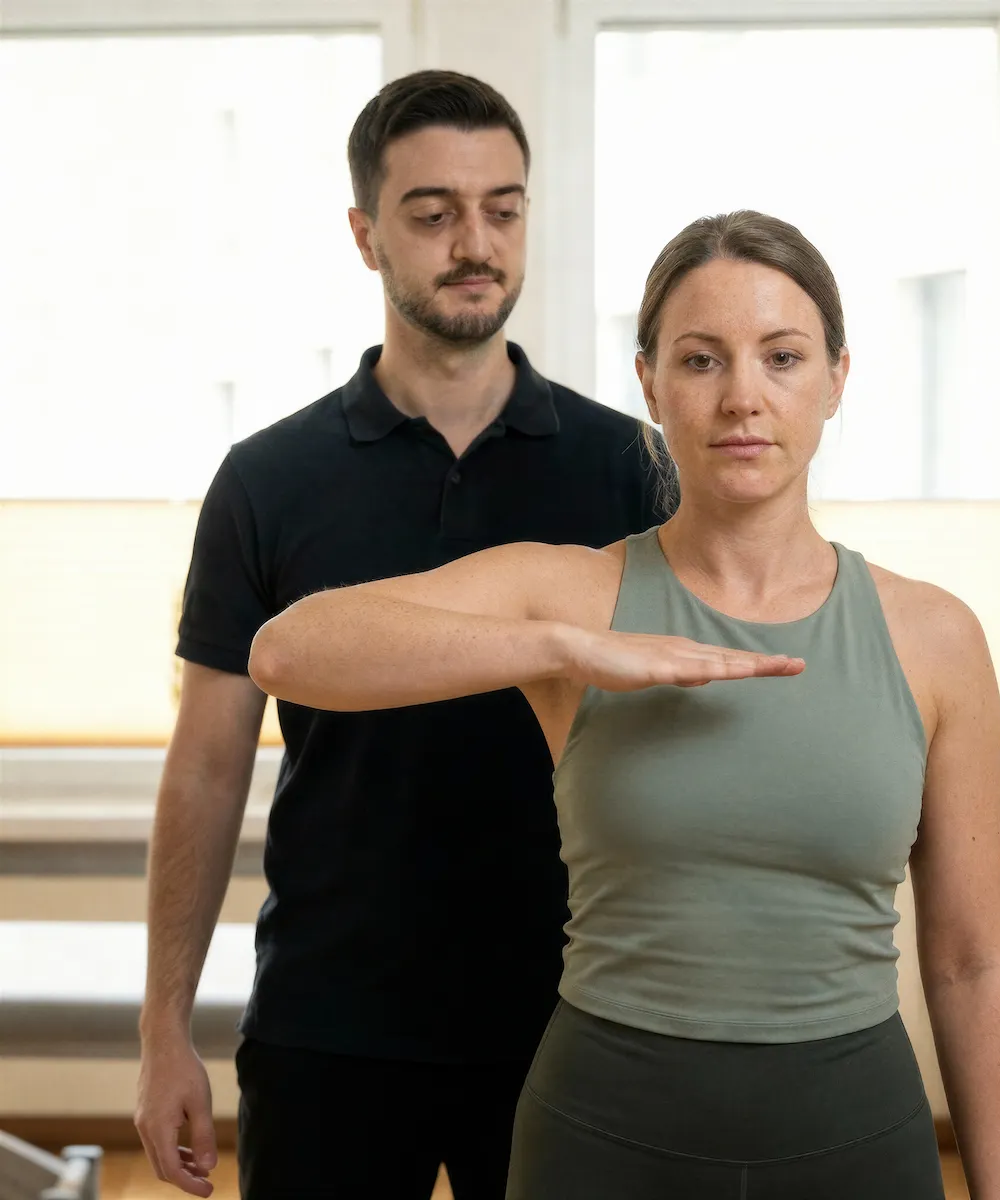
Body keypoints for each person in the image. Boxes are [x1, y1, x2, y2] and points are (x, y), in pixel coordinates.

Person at [248, 209, 1000, 1200]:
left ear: (836, 379)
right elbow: (288, 648)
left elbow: (968, 961)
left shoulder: (935, 637)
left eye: (781, 357)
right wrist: (559, 647)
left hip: (855, 1143)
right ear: (650, 382)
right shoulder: (574, 595)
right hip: (602, 1141)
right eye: (701, 361)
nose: (743, 397)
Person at [134, 71, 663, 1200]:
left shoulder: (630, 468)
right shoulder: (268, 480)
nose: (475, 243)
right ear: (367, 236)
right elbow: (209, 762)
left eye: (504, 209)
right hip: (333, 1023)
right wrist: (161, 1027)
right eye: (433, 213)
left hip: (574, 1017)